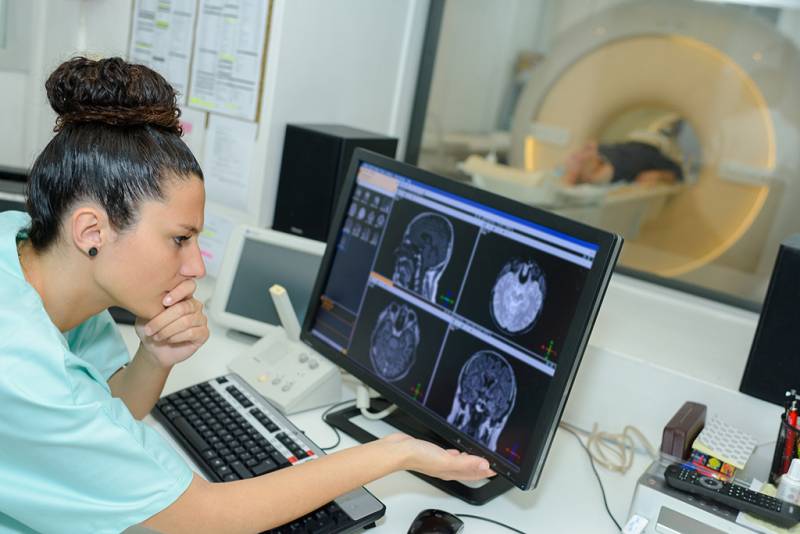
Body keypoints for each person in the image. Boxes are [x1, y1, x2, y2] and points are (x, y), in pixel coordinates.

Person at [0, 57, 494, 533]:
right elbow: (208, 518)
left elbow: (104, 414)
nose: (195, 266)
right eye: (179, 239)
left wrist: (154, 358)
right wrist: (396, 452)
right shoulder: (20, 361)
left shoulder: (23, 245)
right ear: (91, 231)